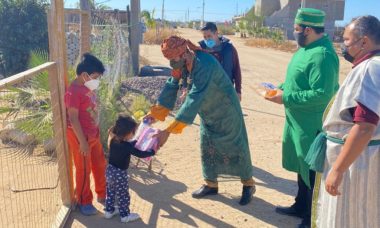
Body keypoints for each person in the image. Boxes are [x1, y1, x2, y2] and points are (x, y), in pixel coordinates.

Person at [145, 35, 255, 205]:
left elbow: (194, 98)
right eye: (169, 59)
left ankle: (248, 184)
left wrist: (168, 131)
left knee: (236, 146)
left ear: (184, 52)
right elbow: (171, 85)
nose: (172, 62)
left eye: (173, 58)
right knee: (208, 147)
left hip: (226, 110)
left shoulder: (204, 64)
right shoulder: (181, 63)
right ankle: (211, 185)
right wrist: (156, 113)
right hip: (207, 111)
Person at [266, 8, 339, 228]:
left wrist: (285, 97)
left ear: (308, 29)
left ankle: (311, 216)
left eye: (297, 29)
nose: (295, 32)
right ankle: (300, 205)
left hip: (311, 124)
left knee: (312, 172)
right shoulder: (305, 48)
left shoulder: (323, 55)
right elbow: (298, 80)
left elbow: (323, 94)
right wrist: (278, 88)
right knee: (301, 166)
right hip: (296, 121)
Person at [312, 15, 380, 228]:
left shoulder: (370, 68)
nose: (344, 44)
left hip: (357, 163)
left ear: (364, 42)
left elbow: (365, 126)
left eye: (347, 39)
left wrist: (338, 169)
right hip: (358, 158)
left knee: (349, 218)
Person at [65, 53, 107, 216]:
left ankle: (102, 193)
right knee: (84, 168)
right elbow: (73, 117)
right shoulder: (73, 92)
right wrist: (82, 142)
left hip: (93, 134)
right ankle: (84, 200)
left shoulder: (86, 87)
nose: (97, 80)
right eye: (95, 77)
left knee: (100, 163)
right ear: (84, 75)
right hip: (80, 137)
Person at [104, 115, 156, 223]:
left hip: (110, 171)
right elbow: (140, 153)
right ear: (127, 133)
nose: (133, 135)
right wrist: (152, 152)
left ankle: (109, 211)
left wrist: (136, 140)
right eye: (133, 132)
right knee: (123, 195)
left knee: (110, 192)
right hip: (120, 174)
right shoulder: (127, 146)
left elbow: (130, 143)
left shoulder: (114, 139)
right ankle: (125, 215)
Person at [199, 22, 243, 101]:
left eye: (209, 36)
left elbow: (237, 70)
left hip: (226, 92)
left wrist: (238, 91)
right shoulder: (201, 51)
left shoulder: (229, 49)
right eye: (204, 37)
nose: (207, 39)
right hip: (208, 94)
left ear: (216, 33)